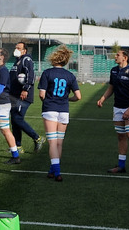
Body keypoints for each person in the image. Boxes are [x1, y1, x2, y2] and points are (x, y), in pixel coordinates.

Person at [38, 45, 82, 182]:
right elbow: (78, 96)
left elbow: (42, 94)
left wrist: (49, 101)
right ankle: (52, 170)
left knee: (52, 143)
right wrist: (67, 99)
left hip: (50, 109)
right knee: (59, 143)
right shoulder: (70, 75)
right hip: (64, 110)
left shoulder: (47, 73)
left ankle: (57, 172)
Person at [8, 41, 45, 153]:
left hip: (23, 96)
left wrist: (25, 89)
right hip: (14, 96)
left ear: (24, 50)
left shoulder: (26, 60)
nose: (16, 49)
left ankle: (38, 138)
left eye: (18, 48)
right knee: (14, 120)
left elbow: (31, 75)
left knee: (17, 118)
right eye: (16, 47)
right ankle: (18, 147)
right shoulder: (17, 61)